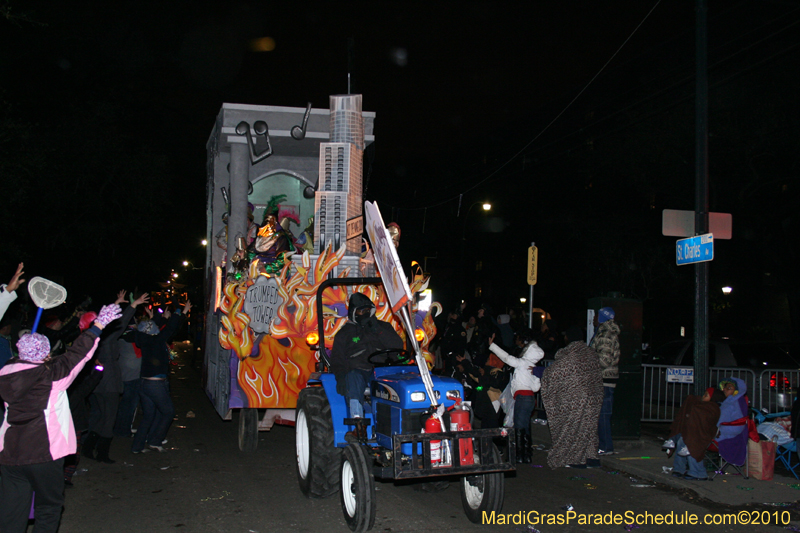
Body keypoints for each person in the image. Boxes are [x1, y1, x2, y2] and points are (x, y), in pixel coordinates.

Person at [0, 303, 121, 533]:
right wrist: (98, 325)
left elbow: (24, 363)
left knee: (11, 512)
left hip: (10, 454)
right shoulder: (51, 375)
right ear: (46, 353)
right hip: (43, 453)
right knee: (48, 509)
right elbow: (78, 353)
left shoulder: (5, 372)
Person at [83, 291, 149, 463]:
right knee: (109, 417)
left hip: (94, 381)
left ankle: (88, 447)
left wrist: (117, 303)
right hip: (108, 381)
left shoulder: (88, 336)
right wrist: (133, 306)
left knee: (99, 415)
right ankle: (102, 452)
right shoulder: (106, 338)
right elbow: (121, 324)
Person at [330, 292, 403, 441]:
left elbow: (397, 346)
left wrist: (377, 330)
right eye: (360, 311)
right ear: (353, 313)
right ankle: (359, 424)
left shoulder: (382, 327)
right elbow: (337, 360)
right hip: (360, 370)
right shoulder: (344, 334)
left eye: (367, 310)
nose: (364, 314)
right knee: (353, 377)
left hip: (385, 369)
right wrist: (341, 377)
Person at [131, 300, 191, 453]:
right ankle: (155, 440)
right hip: (155, 384)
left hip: (144, 383)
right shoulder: (156, 340)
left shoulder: (143, 339)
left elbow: (156, 327)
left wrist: (161, 318)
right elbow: (170, 329)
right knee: (168, 412)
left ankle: (137, 446)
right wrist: (180, 312)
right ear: (152, 330)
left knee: (149, 415)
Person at [541, 326, 604, 469]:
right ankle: (592, 457)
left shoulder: (571, 356)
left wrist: (541, 373)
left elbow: (553, 373)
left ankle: (576, 460)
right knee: (589, 427)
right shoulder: (590, 353)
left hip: (578, 397)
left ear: (568, 338)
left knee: (573, 428)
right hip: (595, 394)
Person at [487, 329, 544, 463]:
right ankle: (526, 455)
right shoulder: (532, 366)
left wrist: (493, 346)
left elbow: (506, 358)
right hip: (530, 399)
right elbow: (536, 387)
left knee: (519, 427)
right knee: (525, 426)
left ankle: (518, 456)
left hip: (522, 398)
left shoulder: (522, 363)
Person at [662, 387, 725, 480]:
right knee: (681, 440)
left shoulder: (712, 408)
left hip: (704, 435)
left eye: (706, 395)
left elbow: (704, 424)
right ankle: (679, 469)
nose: (703, 396)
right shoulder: (704, 406)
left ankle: (699, 472)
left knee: (691, 442)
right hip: (696, 432)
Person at [590, 306, 620, 456]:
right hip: (603, 378)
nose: (593, 319)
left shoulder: (605, 334)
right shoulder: (604, 332)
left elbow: (605, 359)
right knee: (601, 413)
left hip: (604, 379)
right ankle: (603, 445)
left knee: (602, 414)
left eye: (596, 316)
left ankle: (606, 446)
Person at [113, 323, 142, 437]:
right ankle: (124, 430)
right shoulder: (134, 336)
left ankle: (119, 428)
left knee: (124, 404)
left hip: (123, 373)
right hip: (133, 375)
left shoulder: (119, 336)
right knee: (129, 405)